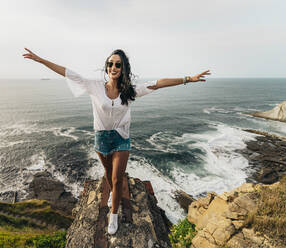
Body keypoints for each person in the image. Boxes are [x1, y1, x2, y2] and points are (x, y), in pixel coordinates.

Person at [23, 48, 210, 235]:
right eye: (110, 63)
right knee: (107, 172)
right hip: (101, 138)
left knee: (117, 177)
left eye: (117, 64)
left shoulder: (130, 91)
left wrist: (188, 79)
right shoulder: (94, 86)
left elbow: (158, 84)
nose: (113, 67)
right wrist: (40, 60)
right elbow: (67, 72)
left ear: (123, 69)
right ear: (107, 67)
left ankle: (113, 215)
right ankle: (113, 193)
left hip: (121, 137)